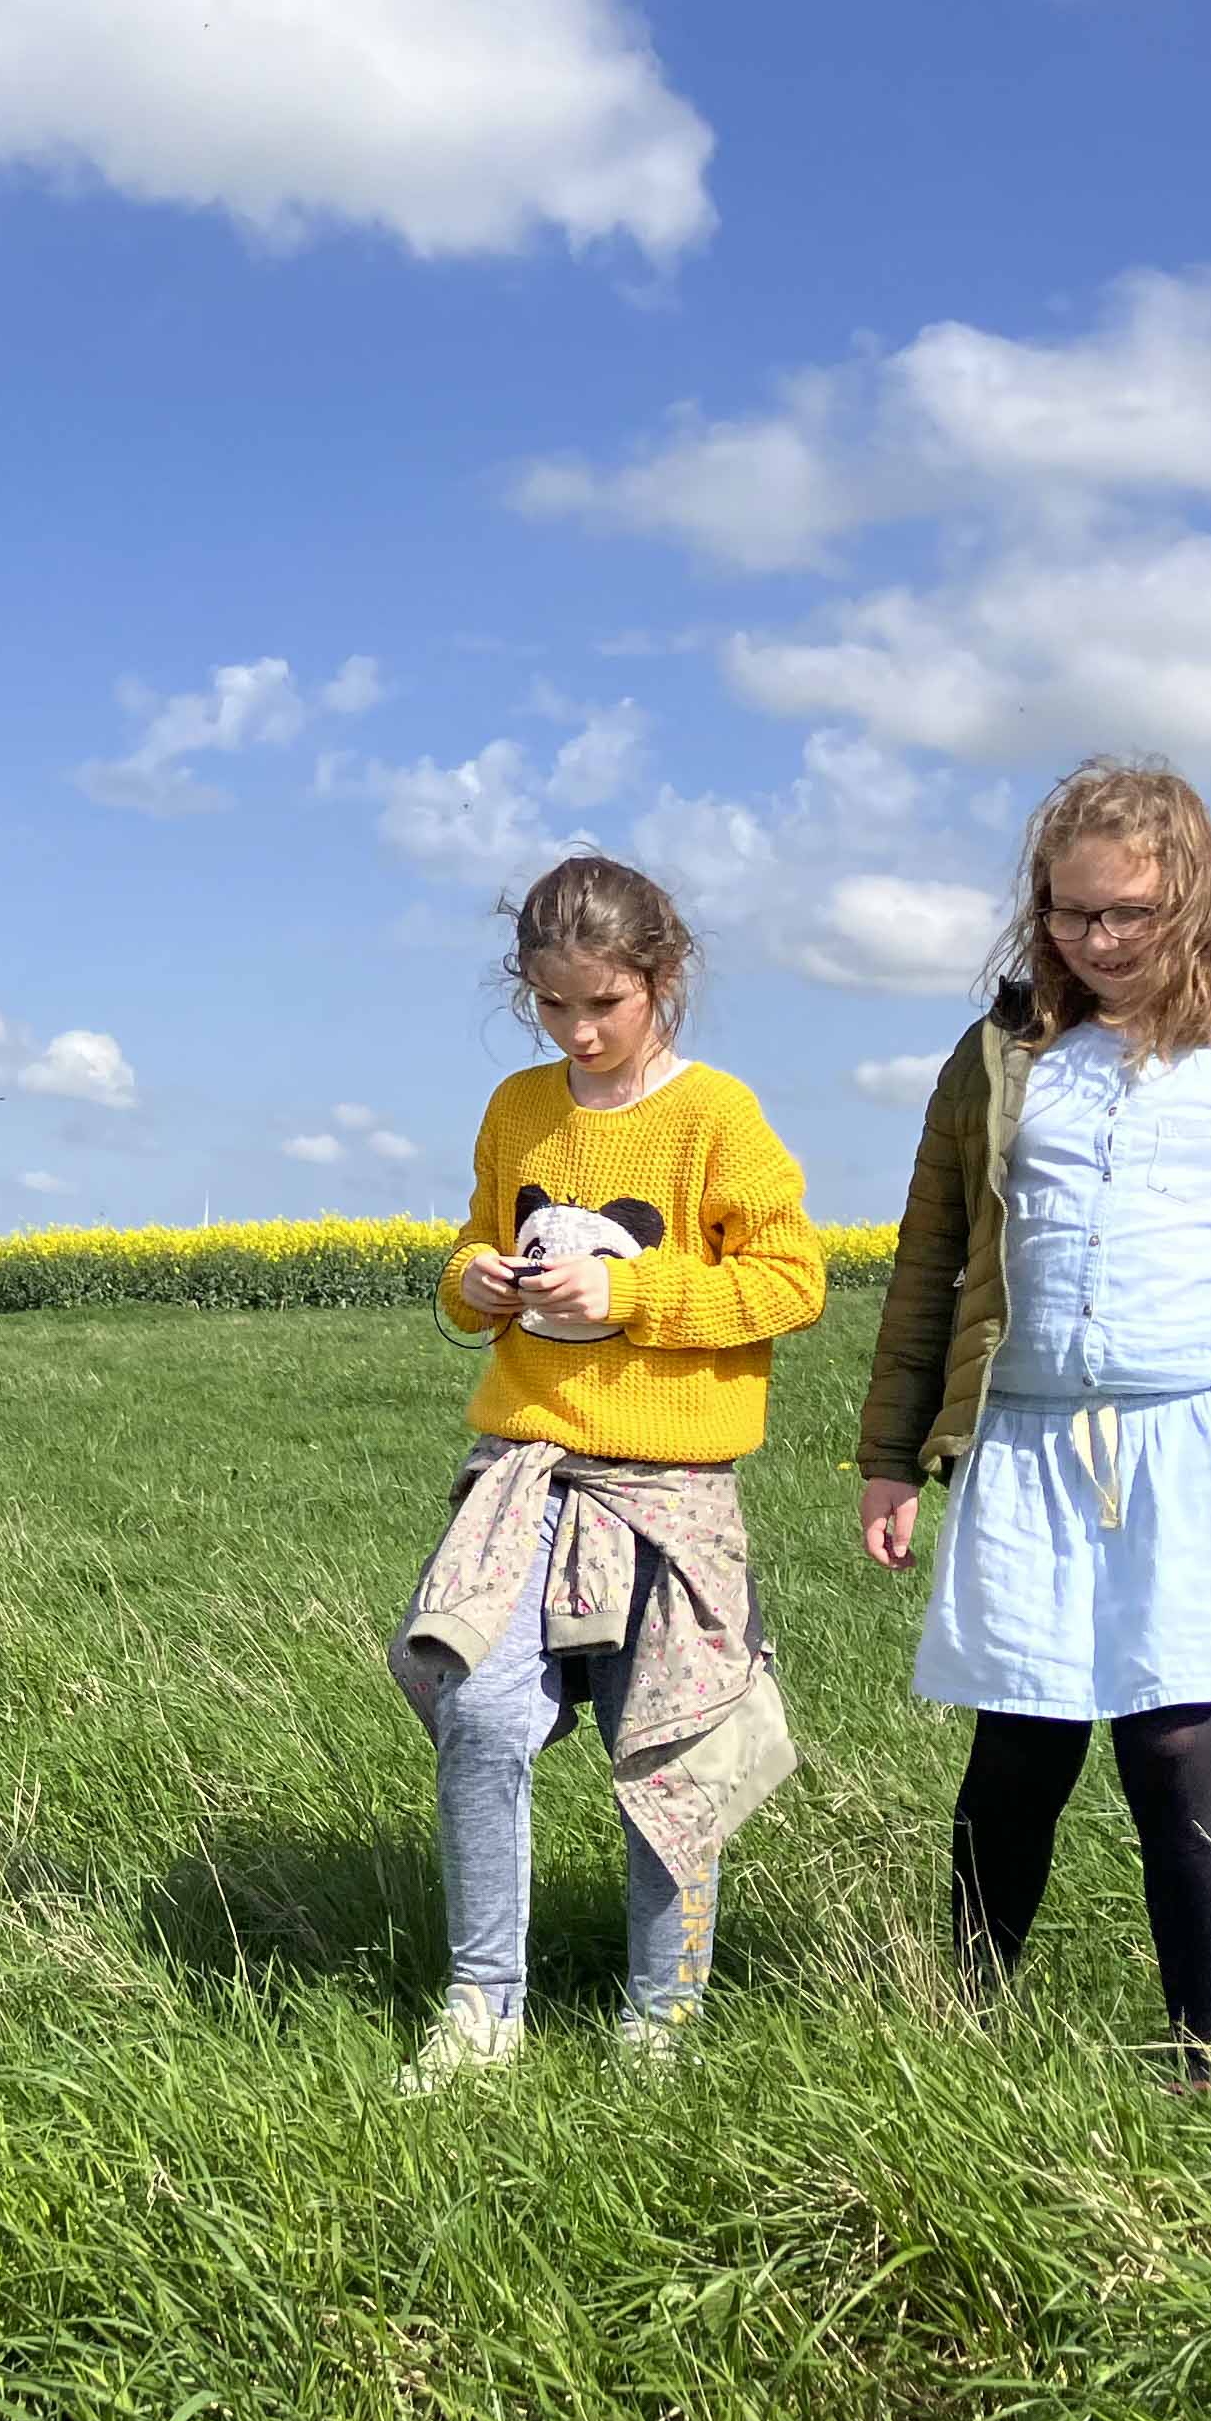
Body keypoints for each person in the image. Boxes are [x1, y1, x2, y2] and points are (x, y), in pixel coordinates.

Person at [854, 758, 1211, 2084]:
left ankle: (1204, 2066)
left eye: (1129, 914)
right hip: (1030, 1444)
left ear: (1198, 903)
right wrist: (892, 1455)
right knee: (1021, 1740)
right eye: (1070, 914)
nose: (1099, 941)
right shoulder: (1005, 1067)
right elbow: (930, 1262)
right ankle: (962, 2032)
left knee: (1176, 1745)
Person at [392, 855, 828, 2086]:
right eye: (552, 1005)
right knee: (477, 1709)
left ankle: (661, 2017)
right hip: (524, 1472)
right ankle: (483, 2008)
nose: (579, 1032)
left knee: (669, 1747)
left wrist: (631, 1290)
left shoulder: (718, 1120)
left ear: (662, 978)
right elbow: (483, 1233)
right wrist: (469, 1282)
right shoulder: (518, 1108)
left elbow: (791, 1284)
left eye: (605, 1004)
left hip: (670, 1490)